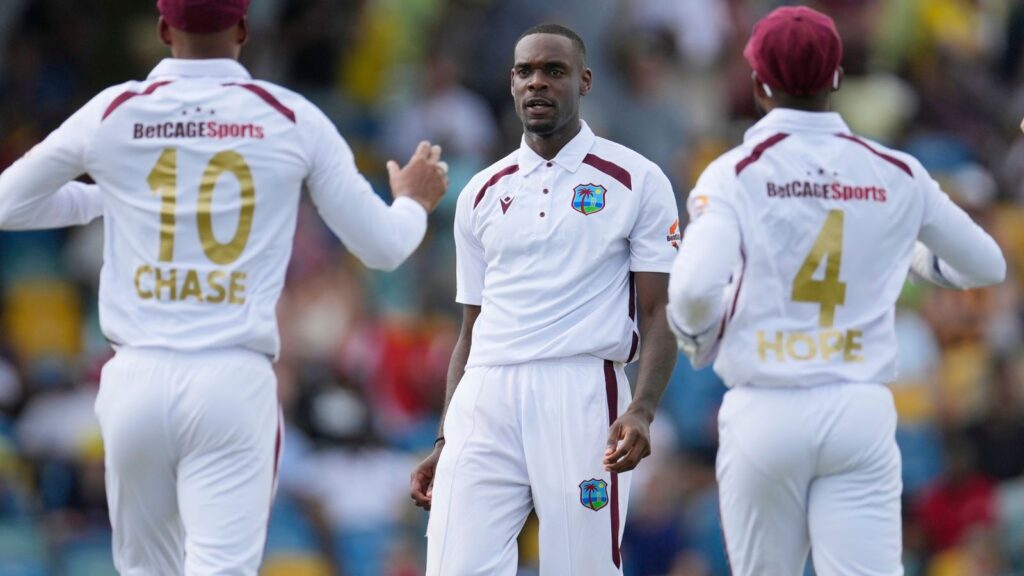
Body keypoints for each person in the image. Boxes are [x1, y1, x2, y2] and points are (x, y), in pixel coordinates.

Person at [0, 0, 448, 573]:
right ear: (243, 28)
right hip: (232, 382)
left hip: (136, 379)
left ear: (163, 29)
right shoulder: (291, 117)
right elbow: (383, 248)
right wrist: (412, 201)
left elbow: (11, 203)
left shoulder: (114, 110)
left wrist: (113, 198)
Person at [666, 6, 1006, 576]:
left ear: (758, 83)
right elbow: (987, 264)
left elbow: (694, 290)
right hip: (858, 410)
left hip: (765, 409)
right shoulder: (896, 171)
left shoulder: (733, 173)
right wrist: (915, 259)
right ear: (837, 78)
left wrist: (699, 339)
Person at [409, 23, 680, 576]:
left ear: (584, 81)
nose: (537, 82)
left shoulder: (637, 179)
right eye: (525, 71)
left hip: (580, 389)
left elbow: (659, 312)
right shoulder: (481, 191)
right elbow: (471, 327)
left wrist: (642, 409)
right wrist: (444, 435)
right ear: (511, 83)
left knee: (582, 568)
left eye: (554, 71)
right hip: (485, 393)